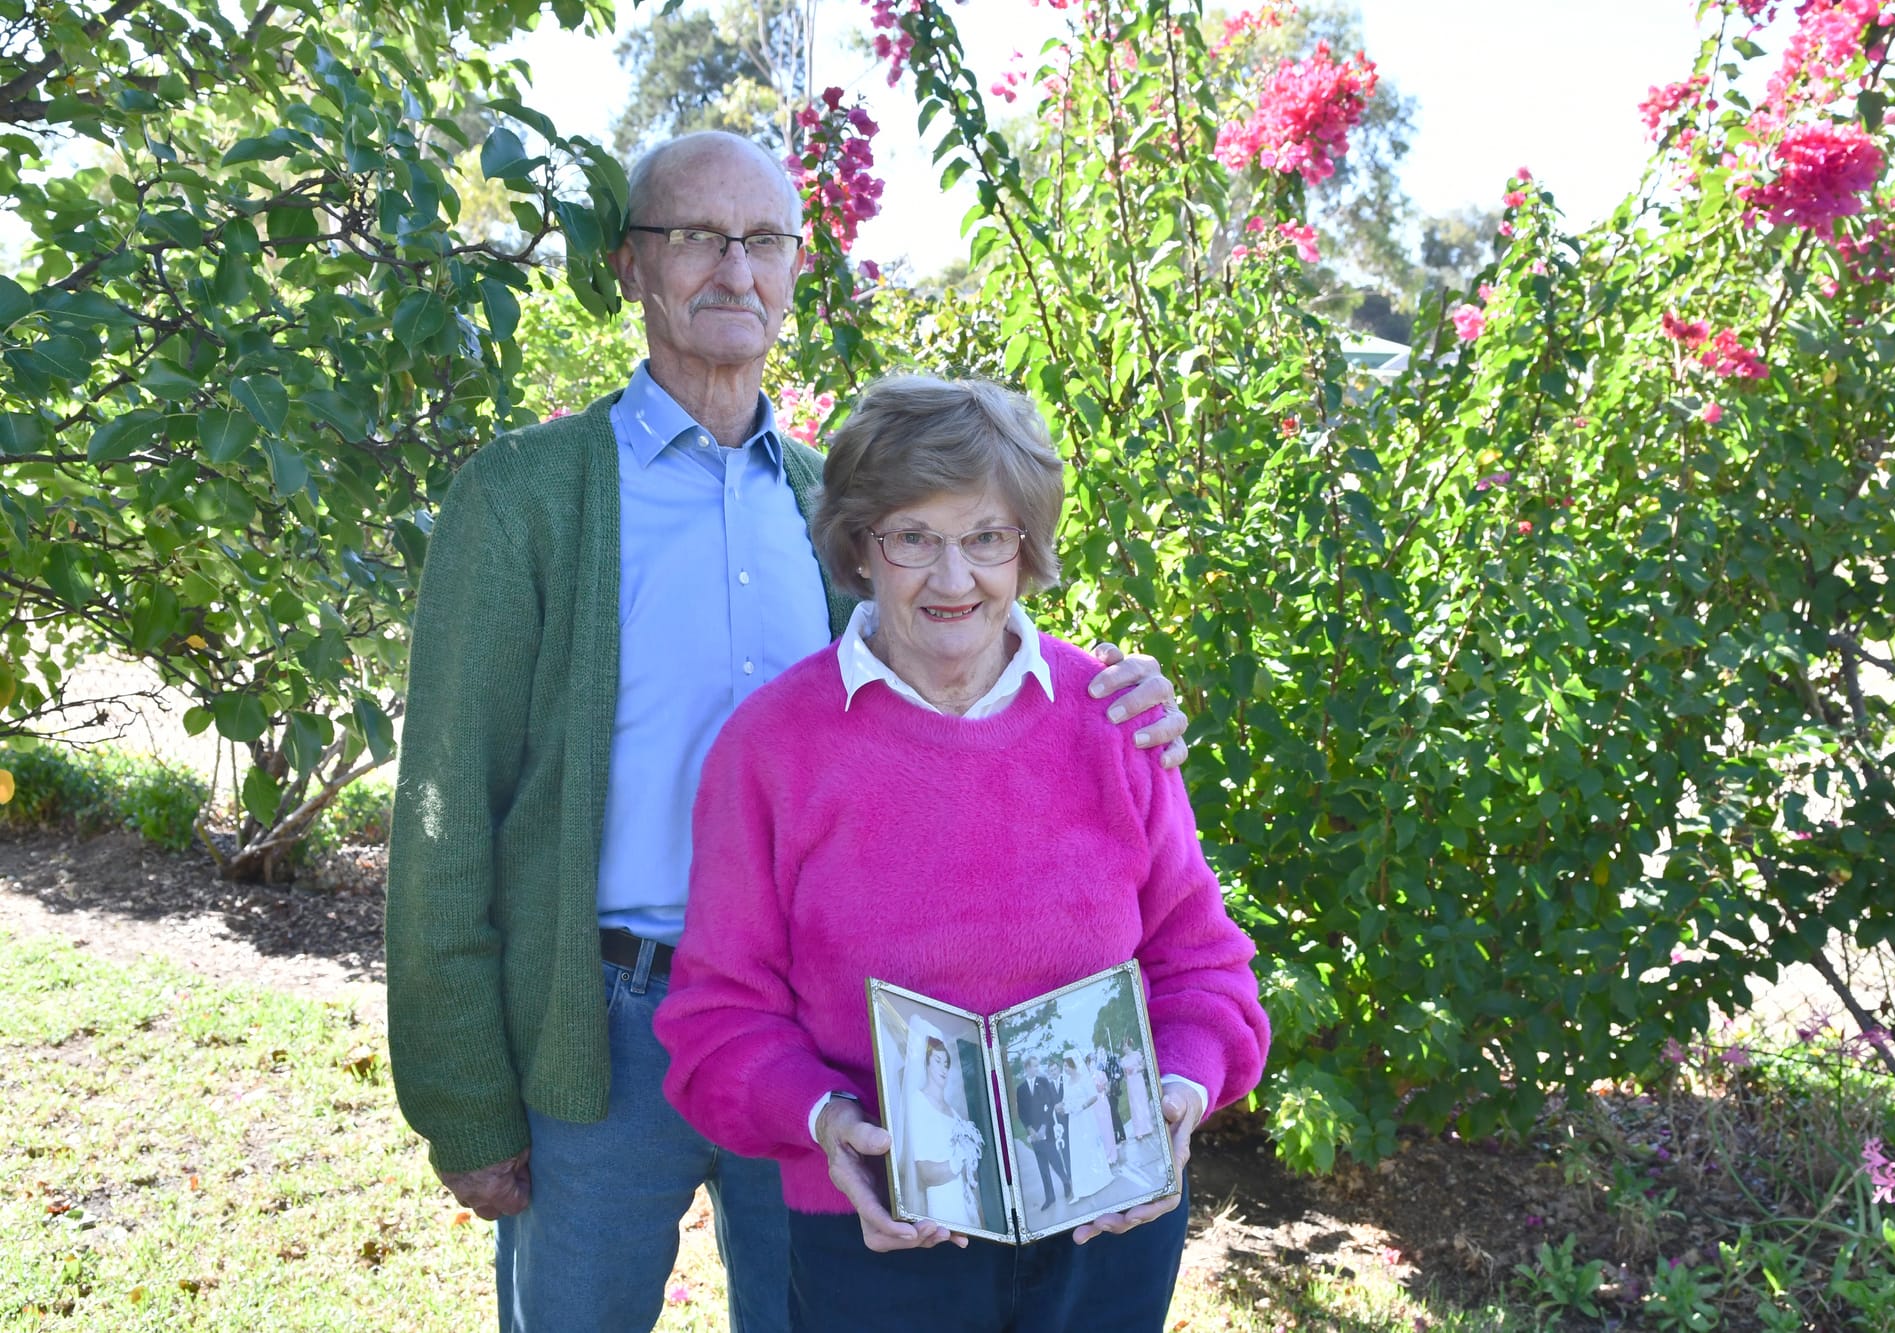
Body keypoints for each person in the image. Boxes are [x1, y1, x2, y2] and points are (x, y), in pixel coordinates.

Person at [383, 130, 1188, 1333]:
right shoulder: (525, 496)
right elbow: (444, 812)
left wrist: (1131, 698)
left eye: (761, 241)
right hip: (600, 1032)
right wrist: (463, 1098)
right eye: (694, 237)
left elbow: (959, 669)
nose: (731, 270)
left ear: (795, 269)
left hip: (816, 1046)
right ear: (629, 267)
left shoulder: (837, 504)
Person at [655, 375, 1270, 1332]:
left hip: (1105, 1233)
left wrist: (1183, 1090)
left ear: (1026, 549)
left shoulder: (1112, 721)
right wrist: (824, 1119)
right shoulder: (773, 748)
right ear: (861, 547)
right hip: (881, 1237)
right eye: (914, 537)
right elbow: (718, 1016)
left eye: (986, 536)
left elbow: (1203, 965)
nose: (954, 579)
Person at [900, 1030, 982, 1229]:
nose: (943, 1068)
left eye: (946, 1063)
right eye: (937, 1061)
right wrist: (957, 1159)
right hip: (943, 1200)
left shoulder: (952, 1111)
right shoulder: (918, 1102)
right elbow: (925, 1173)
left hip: (964, 1197)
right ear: (926, 1063)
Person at [1015, 1053, 1071, 1210]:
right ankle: (1050, 1196)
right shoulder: (1021, 1089)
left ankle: (1066, 1182)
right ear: (1027, 1068)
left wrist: (1044, 1127)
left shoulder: (1043, 1082)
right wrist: (1030, 1129)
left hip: (1047, 1129)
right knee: (1042, 1166)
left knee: (1054, 1159)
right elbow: (1022, 1112)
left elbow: (1051, 1102)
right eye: (1034, 1066)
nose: (1037, 1069)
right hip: (1034, 1134)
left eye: (1037, 1066)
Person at [1062, 1054, 1115, 1201]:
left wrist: (1082, 1106)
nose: (1064, 1068)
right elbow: (1066, 1100)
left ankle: (1099, 1177)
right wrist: (1066, 1107)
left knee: (1091, 1145)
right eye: (1064, 1066)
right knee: (1079, 1149)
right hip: (1073, 1120)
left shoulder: (1084, 1078)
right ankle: (1083, 1184)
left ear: (1073, 1065)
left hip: (1085, 1117)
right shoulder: (1066, 1083)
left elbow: (1094, 1096)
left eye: (1066, 1065)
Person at [1121, 1040, 1157, 1145]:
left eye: (1125, 1046)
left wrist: (1136, 1069)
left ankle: (1148, 1127)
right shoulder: (1123, 1060)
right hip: (1131, 1083)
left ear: (1129, 1045)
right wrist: (1127, 1075)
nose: (1124, 1048)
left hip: (1138, 1080)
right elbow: (1124, 1075)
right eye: (1123, 1047)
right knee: (1135, 1105)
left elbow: (1144, 1066)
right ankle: (1139, 1131)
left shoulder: (1137, 1054)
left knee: (1142, 1102)